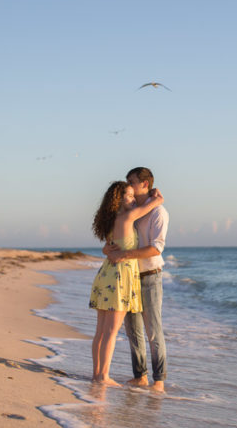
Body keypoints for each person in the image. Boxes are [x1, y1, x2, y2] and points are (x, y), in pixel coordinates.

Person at [90, 180, 164, 386]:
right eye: (129, 196)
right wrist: (157, 195)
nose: (133, 199)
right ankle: (104, 377)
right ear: (118, 199)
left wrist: (107, 250)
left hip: (106, 274)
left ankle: (96, 374)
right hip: (120, 277)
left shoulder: (110, 219)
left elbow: (107, 247)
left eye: (133, 195)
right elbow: (157, 202)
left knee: (101, 331)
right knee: (111, 332)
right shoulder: (128, 216)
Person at [105, 167, 169, 392]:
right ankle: (140, 376)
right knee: (132, 330)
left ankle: (159, 380)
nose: (128, 185)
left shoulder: (158, 212)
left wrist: (123, 254)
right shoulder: (134, 208)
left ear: (145, 184)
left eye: (131, 181)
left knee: (153, 330)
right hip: (129, 277)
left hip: (150, 277)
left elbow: (155, 249)